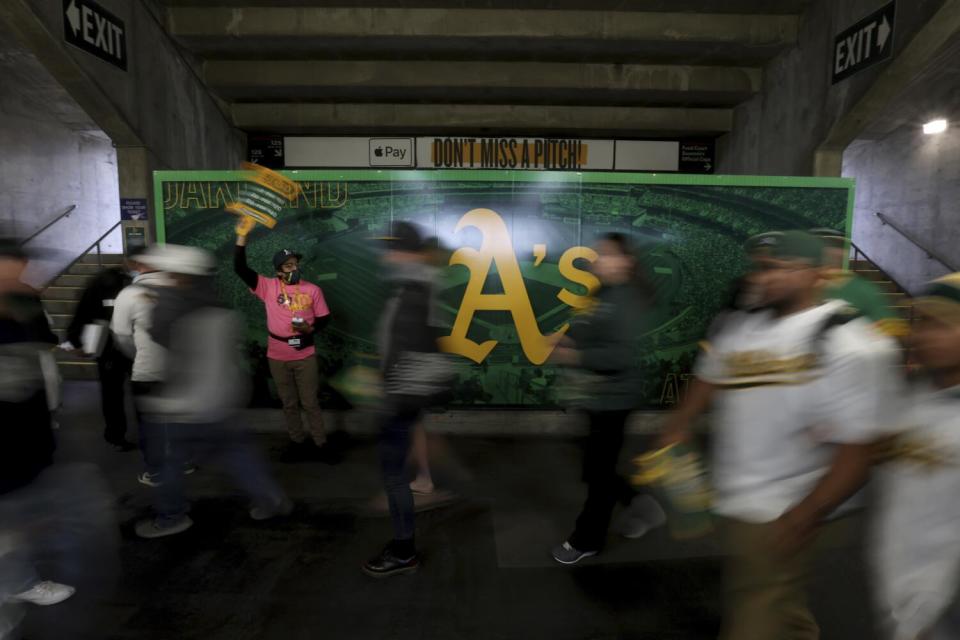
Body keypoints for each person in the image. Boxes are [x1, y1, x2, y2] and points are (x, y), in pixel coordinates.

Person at [660, 230, 898, 639]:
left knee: (754, 615)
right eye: (759, 267)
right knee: (773, 603)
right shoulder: (739, 325)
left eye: (778, 268)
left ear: (816, 275)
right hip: (735, 497)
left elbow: (860, 450)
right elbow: (709, 377)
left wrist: (805, 515)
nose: (762, 278)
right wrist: (678, 425)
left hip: (783, 509)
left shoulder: (848, 344)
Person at [133, 244, 291, 539]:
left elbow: (157, 333)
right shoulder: (224, 313)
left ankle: (171, 517)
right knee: (237, 453)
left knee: (168, 462)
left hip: (183, 405)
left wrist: (157, 297)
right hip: (223, 399)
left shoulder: (178, 312)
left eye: (173, 275)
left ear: (185, 278)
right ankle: (270, 499)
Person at [550, 232, 663, 565]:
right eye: (599, 254)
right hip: (597, 397)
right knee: (596, 466)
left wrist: (575, 357)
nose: (598, 260)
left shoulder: (627, 300)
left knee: (598, 474)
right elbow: (587, 323)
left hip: (615, 400)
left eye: (606, 255)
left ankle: (587, 540)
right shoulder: (606, 293)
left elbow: (620, 356)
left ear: (627, 261)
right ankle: (641, 504)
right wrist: (566, 337)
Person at [872, 273, 960, 640]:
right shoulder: (914, 398)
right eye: (920, 321)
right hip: (903, 604)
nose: (922, 335)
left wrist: (937, 607)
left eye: (940, 324)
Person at [362, 222, 452, 578]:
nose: (386, 254)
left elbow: (413, 353)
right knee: (398, 474)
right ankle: (404, 543)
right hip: (403, 396)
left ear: (406, 250)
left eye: (392, 247)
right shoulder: (416, 285)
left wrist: (387, 398)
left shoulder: (414, 290)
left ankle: (403, 550)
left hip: (399, 399)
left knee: (395, 478)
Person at [0, 239, 74, 634]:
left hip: (22, 432)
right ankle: (19, 584)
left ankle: (19, 582)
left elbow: (40, 355)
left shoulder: (23, 303)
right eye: (10, 267)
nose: (18, 275)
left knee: (16, 513)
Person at [234, 217, 333, 462]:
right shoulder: (267, 287)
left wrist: (309, 332)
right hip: (277, 353)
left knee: (310, 403)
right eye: (288, 266)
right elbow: (240, 269)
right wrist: (242, 237)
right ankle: (297, 442)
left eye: (295, 264)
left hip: (305, 354)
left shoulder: (312, 290)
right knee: (289, 403)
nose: (294, 268)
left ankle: (321, 444)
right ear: (279, 270)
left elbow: (324, 318)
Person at [110, 247, 181, 486]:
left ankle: (157, 472)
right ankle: (185, 462)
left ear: (133, 264)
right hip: (180, 369)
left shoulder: (129, 294)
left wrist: (137, 355)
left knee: (151, 425)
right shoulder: (179, 288)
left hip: (148, 370)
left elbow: (120, 335)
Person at [63, 262, 134, 451]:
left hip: (130, 348)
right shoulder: (103, 282)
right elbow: (84, 312)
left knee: (122, 392)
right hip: (111, 348)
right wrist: (75, 340)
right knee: (113, 393)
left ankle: (126, 434)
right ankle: (116, 435)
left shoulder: (139, 282)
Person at [811, 228, 907, 339]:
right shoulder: (803, 284)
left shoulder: (865, 290)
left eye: (839, 246)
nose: (833, 251)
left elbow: (891, 333)